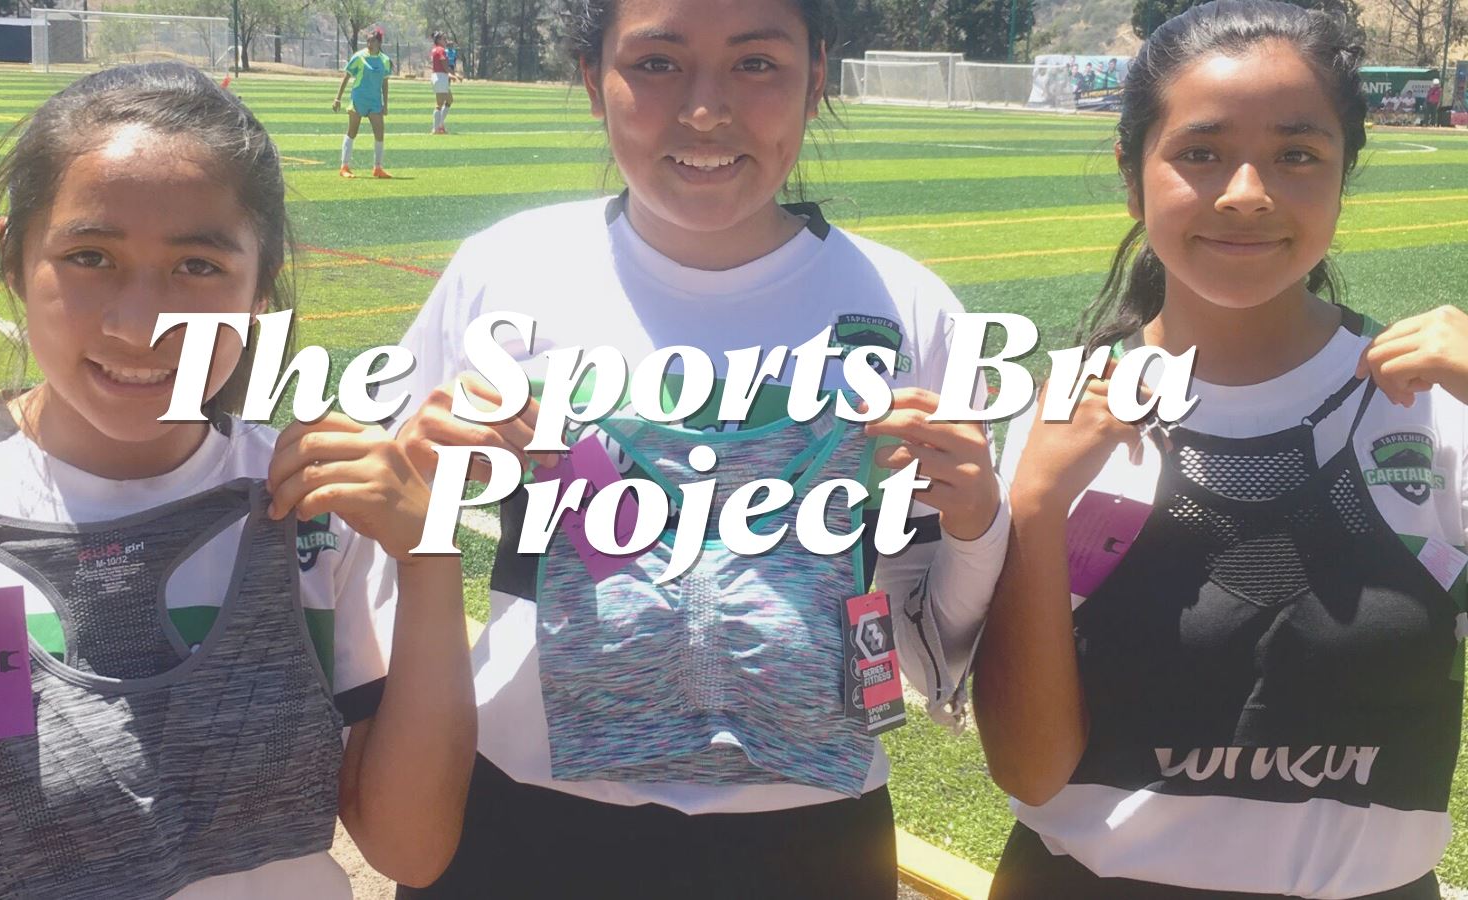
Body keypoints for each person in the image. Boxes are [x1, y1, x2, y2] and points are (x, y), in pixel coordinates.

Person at [380, 0, 1009, 896]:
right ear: (593, 78)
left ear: (816, 77)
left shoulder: (906, 308)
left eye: (756, 65)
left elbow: (933, 643)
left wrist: (978, 517)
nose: (706, 111)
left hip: (804, 838)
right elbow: (375, 536)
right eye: (659, 63)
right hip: (518, 818)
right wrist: (418, 471)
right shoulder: (505, 271)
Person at [0, 63, 474, 898]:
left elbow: (408, 852)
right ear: (15, 258)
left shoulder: (315, 503)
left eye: (197, 267)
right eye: (90, 256)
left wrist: (431, 553)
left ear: (262, 287)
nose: (143, 324)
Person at [974, 3, 1468, 897]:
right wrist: (1038, 503)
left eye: (1297, 154)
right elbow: (1031, 771)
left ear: (1344, 175)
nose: (1248, 191)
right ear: (1133, 174)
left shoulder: (1433, 404)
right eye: (1200, 152)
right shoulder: (1058, 419)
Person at [333, 27, 393, 178]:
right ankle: (344, 167)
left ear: (379, 42)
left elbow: (385, 83)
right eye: (367, 41)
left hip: (375, 101)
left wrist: (385, 104)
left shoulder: (384, 60)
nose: (369, 43)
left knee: (380, 134)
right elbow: (346, 77)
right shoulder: (359, 57)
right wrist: (337, 98)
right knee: (352, 132)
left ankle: (377, 168)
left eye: (372, 41)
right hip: (359, 99)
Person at [430, 32, 453, 135]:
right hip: (441, 76)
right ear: (439, 40)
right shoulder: (440, 50)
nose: (446, 41)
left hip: (438, 76)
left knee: (449, 100)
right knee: (439, 104)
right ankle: (436, 129)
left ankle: (440, 124)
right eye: (444, 39)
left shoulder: (435, 49)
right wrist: (450, 73)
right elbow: (443, 62)